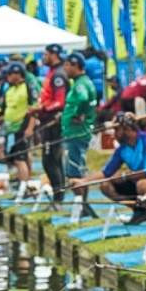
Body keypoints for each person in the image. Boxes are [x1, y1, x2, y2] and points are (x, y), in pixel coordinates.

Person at [83, 113, 146, 225]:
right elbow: (106, 173)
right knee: (105, 186)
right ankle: (140, 211)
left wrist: (124, 176)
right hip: (135, 182)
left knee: (143, 184)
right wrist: (83, 182)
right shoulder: (121, 149)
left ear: (126, 128)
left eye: (116, 129)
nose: (114, 134)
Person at [60, 53, 101, 215]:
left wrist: (78, 113)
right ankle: (83, 205)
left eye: (67, 65)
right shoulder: (84, 82)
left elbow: (83, 98)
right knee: (77, 169)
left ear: (75, 65)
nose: (65, 68)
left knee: (74, 171)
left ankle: (84, 207)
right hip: (78, 133)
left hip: (76, 134)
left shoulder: (80, 84)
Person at [35, 44, 70, 199]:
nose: (43, 57)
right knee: (53, 159)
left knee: (50, 160)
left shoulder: (58, 75)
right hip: (47, 121)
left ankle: (58, 195)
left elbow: (60, 102)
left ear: (53, 55)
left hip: (53, 123)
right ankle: (59, 194)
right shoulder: (52, 72)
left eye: (45, 54)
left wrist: (42, 108)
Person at [0, 63, 35, 188]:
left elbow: (33, 109)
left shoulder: (27, 88)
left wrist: (30, 127)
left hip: (22, 128)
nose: (7, 76)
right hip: (10, 129)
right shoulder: (9, 89)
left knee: (20, 159)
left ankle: (24, 188)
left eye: (10, 74)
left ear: (18, 74)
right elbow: (3, 110)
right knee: (12, 158)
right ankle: (23, 182)